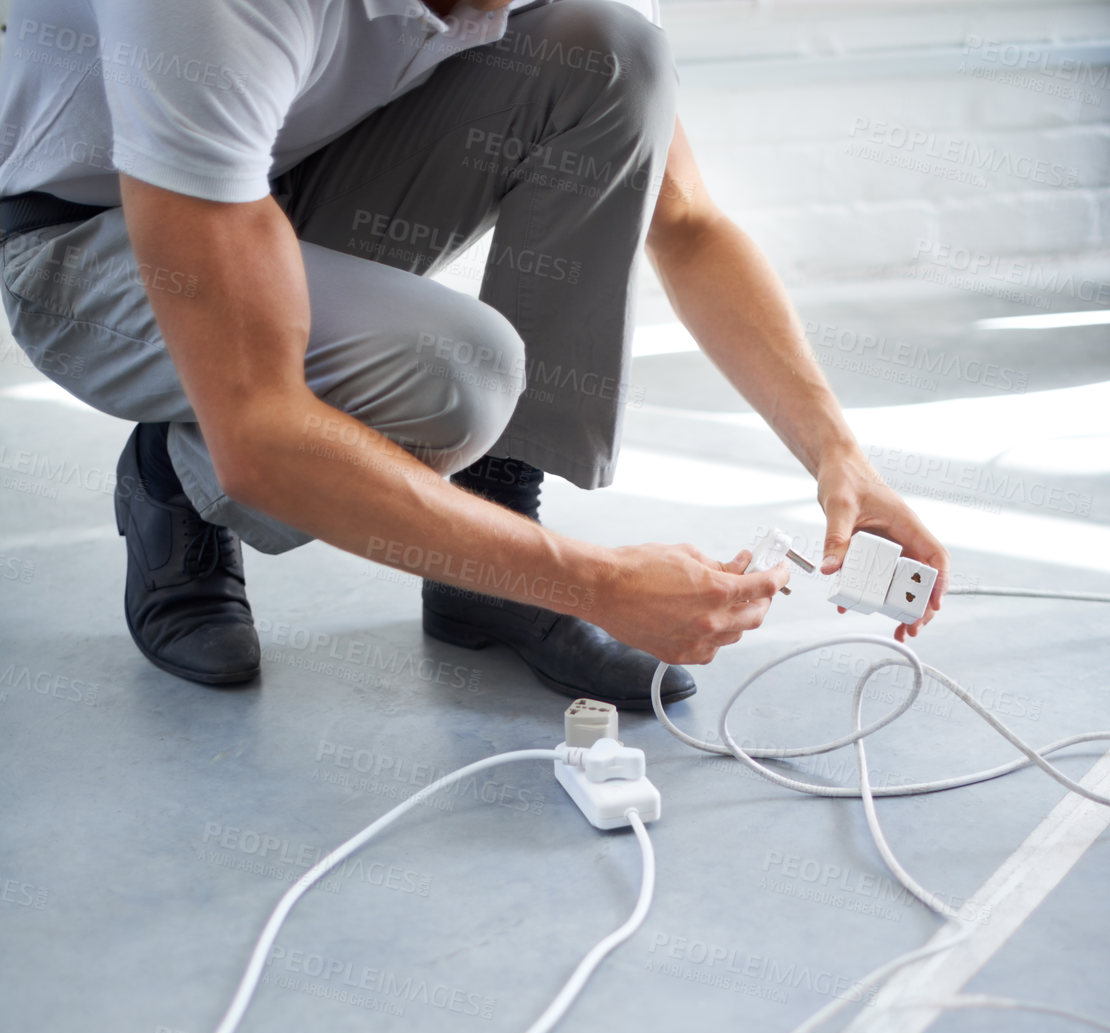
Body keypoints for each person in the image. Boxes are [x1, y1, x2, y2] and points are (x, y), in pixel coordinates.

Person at [0, 0, 947, 705]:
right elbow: (259, 424)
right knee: (459, 372)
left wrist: (839, 455)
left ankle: (487, 562)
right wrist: (600, 580)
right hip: (87, 235)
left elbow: (687, 222)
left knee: (615, 54)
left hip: (284, 174)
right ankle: (173, 474)